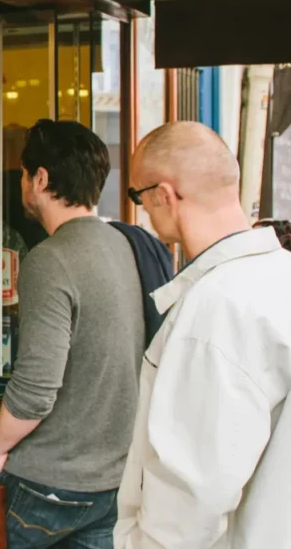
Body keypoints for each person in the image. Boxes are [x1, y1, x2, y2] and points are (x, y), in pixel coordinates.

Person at [115, 122, 291, 549]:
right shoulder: (280, 275)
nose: (143, 210)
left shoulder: (217, 309)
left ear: (165, 195)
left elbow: (191, 501)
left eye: (138, 196)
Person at [0, 120, 144, 549]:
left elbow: (37, 388)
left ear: (40, 178)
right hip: (111, 481)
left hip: (49, 484)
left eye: (22, 173)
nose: (21, 182)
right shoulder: (122, 244)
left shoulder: (50, 259)